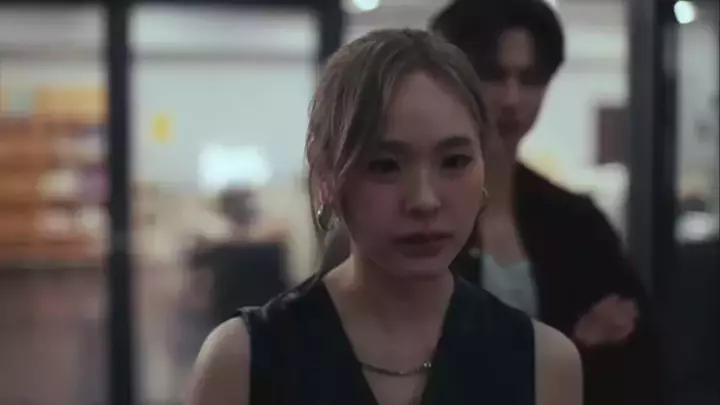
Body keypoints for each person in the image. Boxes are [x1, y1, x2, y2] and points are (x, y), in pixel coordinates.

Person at [188, 29, 582, 405]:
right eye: (385, 165)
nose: (424, 200)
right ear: (326, 173)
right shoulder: (244, 361)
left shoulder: (542, 363)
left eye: (454, 161)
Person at [320, 1, 665, 404]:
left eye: (530, 78)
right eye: (493, 75)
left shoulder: (574, 221)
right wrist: (568, 349)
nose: (512, 98)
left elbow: (639, 353)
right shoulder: (404, 213)